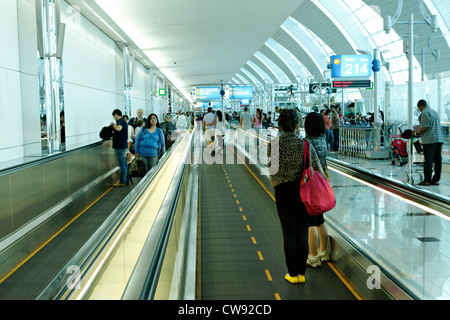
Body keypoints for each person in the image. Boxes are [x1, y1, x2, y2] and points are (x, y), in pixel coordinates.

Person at [268, 109, 326, 284]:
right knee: (302, 232)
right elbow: (317, 169)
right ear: (297, 125)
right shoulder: (305, 144)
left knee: (289, 232)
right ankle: (301, 273)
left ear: (280, 126)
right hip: (304, 191)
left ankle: (292, 274)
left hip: (283, 192)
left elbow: (272, 170)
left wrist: (278, 184)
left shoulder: (274, 144)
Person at [304, 112, 331, 267]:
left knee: (311, 222)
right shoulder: (323, 140)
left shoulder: (307, 142)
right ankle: (323, 251)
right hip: (322, 182)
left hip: (311, 185)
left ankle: (313, 256)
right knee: (320, 219)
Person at [412, 99, 444, 185]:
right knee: (437, 160)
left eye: (419, 108)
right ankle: (436, 179)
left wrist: (415, 133)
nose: (419, 110)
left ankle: (427, 180)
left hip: (430, 140)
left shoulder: (424, 113)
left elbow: (424, 128)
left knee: (428, 160)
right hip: (439, 139)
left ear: (421, 106)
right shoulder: (434, 112)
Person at [111, 109, 129, 187]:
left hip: (120, 145)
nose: (114, 118)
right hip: (122, 145)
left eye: (114, 116)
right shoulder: (122, 121)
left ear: (116, 114)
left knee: (122, 164)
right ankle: (126, 180)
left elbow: (118, 128)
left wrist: (113, 125)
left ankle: (122, 181)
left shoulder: (121, 121)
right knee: (124, 163)